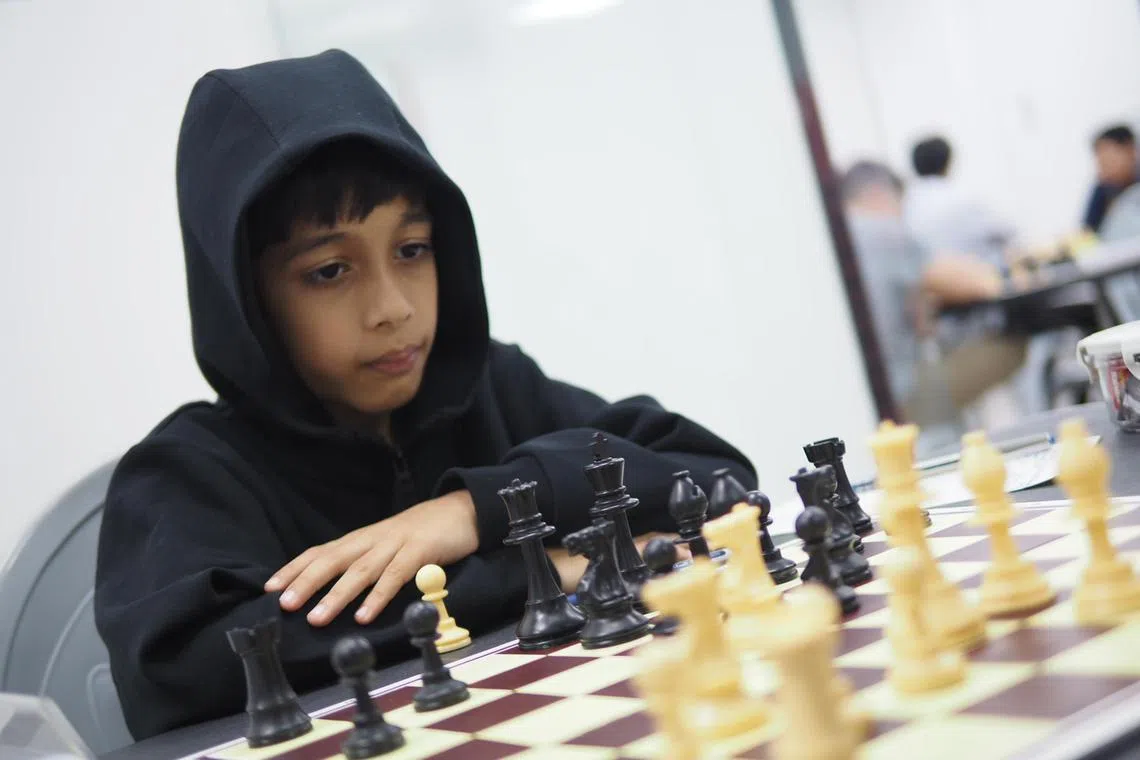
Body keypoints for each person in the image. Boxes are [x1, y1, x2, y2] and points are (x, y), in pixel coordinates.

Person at [94, 49, 754, 740]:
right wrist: (527, 572)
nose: (392, 308)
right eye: (328, 271)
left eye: (412, 250)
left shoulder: (492, 387)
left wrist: (475, 509)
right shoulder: (184, 473)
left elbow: (712, 477)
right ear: (247, 299)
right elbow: (197, 664)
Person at [841, 160, 1021, 453]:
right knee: (1013, 346)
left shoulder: (830, 237)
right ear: (878, 194)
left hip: (858, 395)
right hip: (902, 392)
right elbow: (983, 283)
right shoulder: (881, 231)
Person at [902, 135, 1015, 269]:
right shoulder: (963, 198)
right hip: (980, 280)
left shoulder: (904, 206)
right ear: (948, 162)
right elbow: (1008, 231)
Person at [1082, 124, 1138, 234]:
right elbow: (1088, 231)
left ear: (1130, 151)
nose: (1102, 170)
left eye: (1108, 160)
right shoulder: (1103, 189)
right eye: (1100, 163)